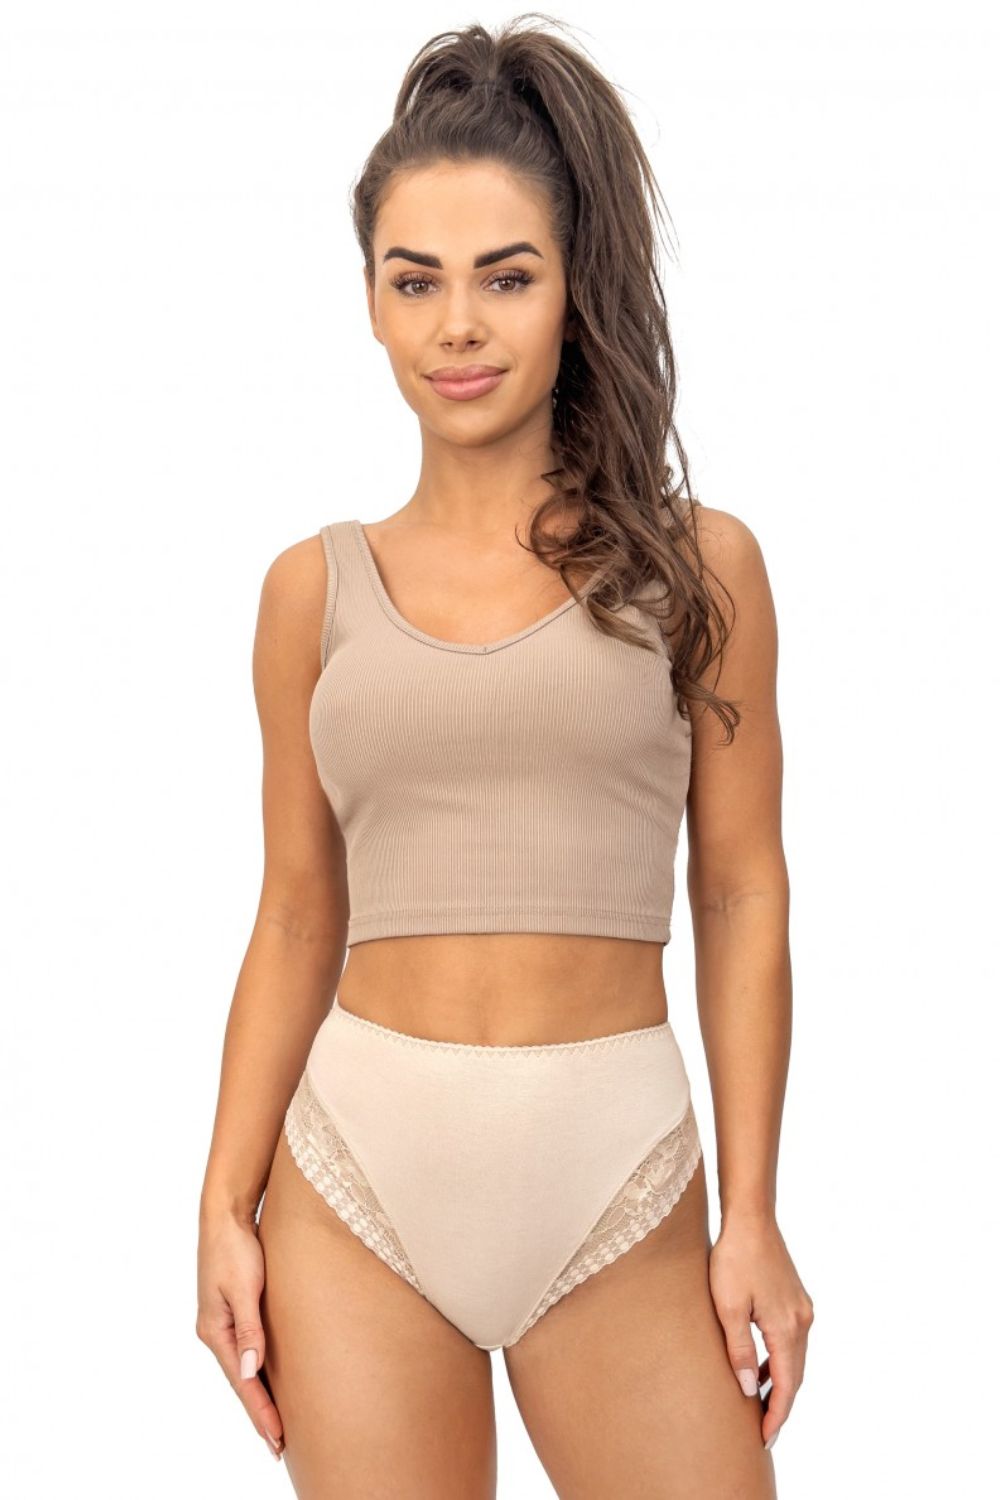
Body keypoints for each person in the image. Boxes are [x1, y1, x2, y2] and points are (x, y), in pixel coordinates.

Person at [196, 15, 813, 1497]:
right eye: (415, 280)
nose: (457, 325)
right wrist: (221, 1201)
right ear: (369, 299)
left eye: (506, 276)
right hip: (353, 1186)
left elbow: (741, 892)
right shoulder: (309, 592)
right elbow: (296, 913)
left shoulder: (698, 569)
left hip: (618, 1186)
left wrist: (752, 1210)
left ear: (573, 287)